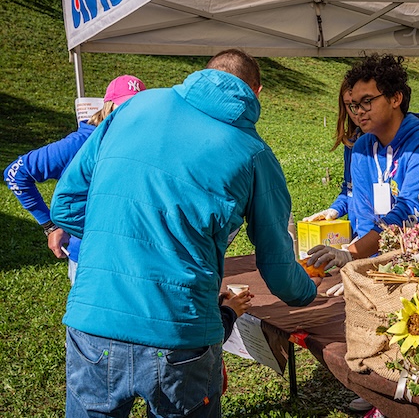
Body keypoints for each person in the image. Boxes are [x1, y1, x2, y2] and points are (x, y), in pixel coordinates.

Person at [50, 49, 317, 418]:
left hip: (95, 323)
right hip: (180, 334)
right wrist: (308, 294)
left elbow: (65, 205)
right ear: (257, 93)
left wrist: (124, 240)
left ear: (201, 76)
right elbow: (276, 263)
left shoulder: (134, 107)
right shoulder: (255, 154)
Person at [307, 54, 419, 270]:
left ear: (395, 99)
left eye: (367, 101)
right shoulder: (362, 149)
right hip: (402, 258)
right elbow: (366, 218)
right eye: (354, 105)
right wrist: (363, 265)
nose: (359, 111)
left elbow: (406, 215)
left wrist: (351, 254)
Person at [3, 75, 146, 284]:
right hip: (89, 258)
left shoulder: (143, 144)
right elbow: (16, 174)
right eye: (123, 106)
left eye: (136, 108)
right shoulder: (79, 143)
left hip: (135, 256)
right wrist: (50, 226)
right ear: (108, 106)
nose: (129, 115)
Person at [302, 78, 363, 236]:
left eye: (361, 103)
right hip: (359, 236)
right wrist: (334, 209)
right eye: (349, 105)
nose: (357, 111)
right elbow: (350, 189)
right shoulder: (351, 142)